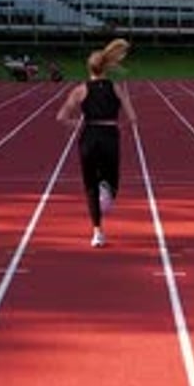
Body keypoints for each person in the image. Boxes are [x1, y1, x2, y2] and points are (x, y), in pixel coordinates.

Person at [56, 39, 137, 248]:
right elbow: (132, 117)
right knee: (112, 180)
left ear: (89, 69)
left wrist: (76, 123)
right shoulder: (116, 88)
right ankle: (107, 188)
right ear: (106, 68)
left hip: (89, 136)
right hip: (110, 135)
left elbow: (61, 116)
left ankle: (98, 233)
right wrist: (121, 123)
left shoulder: (80, 90)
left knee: (90, 186)